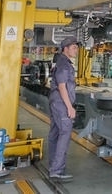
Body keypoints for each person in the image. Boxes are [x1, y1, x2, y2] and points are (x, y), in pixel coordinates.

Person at [48, 36, 79, 182]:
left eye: (76, 47)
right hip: (61, 104)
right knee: (64, 134)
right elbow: (62, 87)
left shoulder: (62, 62)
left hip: (56, 102)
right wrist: (69, 107)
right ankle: (57, 170)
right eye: (73, 47)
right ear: (65, 49)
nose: (76, 50)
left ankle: (53, 166)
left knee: (55, 134)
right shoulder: (64, 65)